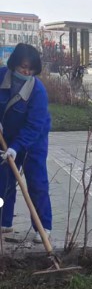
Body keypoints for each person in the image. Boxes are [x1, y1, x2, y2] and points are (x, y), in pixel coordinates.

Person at [0, 43, 52, 244]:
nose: (26, 71)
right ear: (14, 64)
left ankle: (43, 226)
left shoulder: (37, 91)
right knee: (3, 181)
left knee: (36, 182)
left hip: (33, 141)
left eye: (31, 69)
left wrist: (16, 147)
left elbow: (34, 125)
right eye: (23, 66)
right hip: (6, 138)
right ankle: (4, 221)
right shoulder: (1, 76)